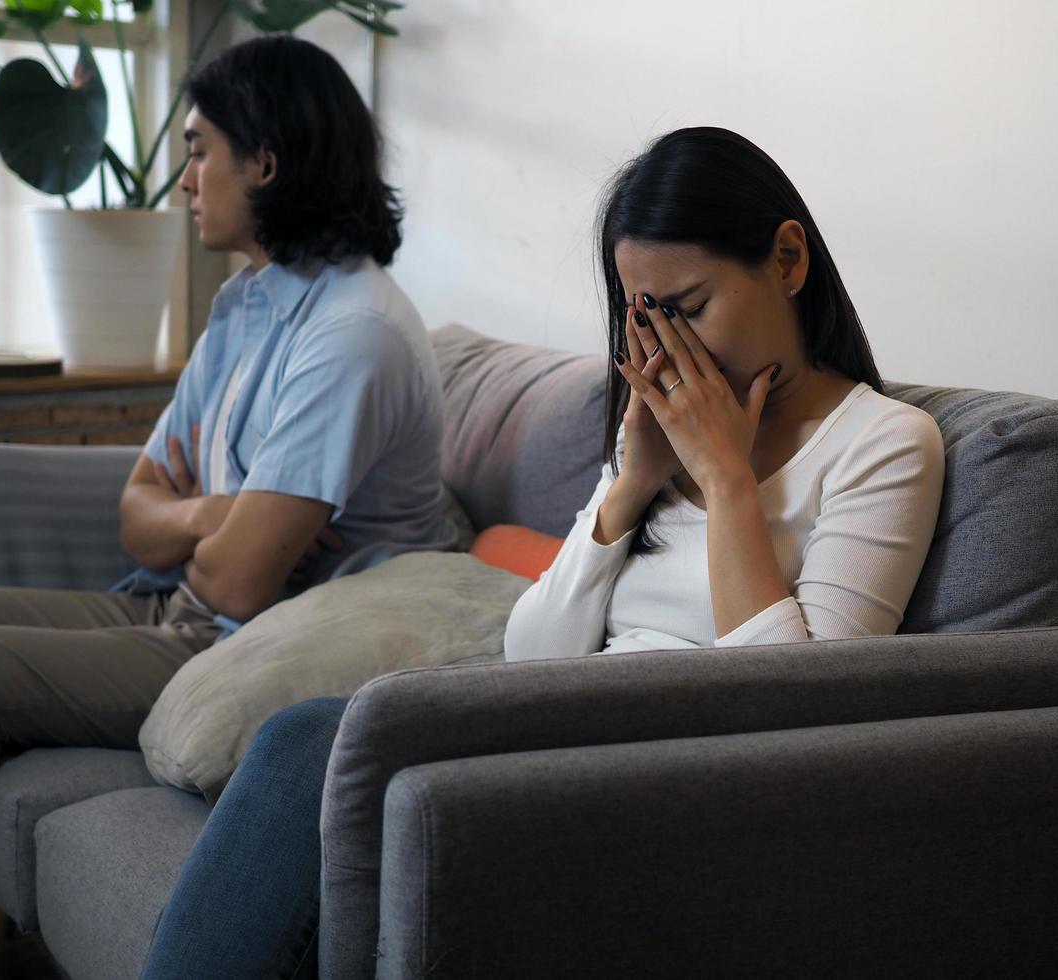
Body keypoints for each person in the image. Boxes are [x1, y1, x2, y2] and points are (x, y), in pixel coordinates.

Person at [137, 126, 945, 979]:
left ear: (787, 260)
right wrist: (631, 485)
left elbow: (810, 723)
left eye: (695, 306)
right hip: (570, 723)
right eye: (651, 319)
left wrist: (727, 481)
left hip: (696, 776)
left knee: (322, 742)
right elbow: (535, 652)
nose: (676, 352)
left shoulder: (885, 444)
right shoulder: (660, 440)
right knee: (316, 740)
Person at [0, 35, 456, 979]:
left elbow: (243, 579)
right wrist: (215, 513)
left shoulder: (353, 334)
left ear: (267, 162)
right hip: (176, 608)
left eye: (200, 149)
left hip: (245, 644)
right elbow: (139, 507)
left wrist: (210, 525)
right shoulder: (250, 302)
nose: (184, 177)